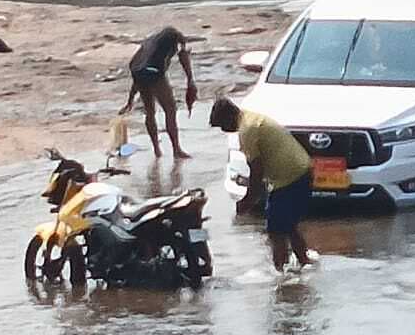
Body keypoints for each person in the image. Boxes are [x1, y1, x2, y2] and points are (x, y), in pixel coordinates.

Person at [209, 98, 316, 273]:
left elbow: (256, 171)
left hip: (289, 178)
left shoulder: (248, 130)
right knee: (288, 225)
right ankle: (303, 262)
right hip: (301, 171)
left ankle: (280, 274)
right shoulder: (251, 119)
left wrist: (248, 200)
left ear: (229, 117)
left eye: (222, 125)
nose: (223, 130)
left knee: (275, 230)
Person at [119, 27, 197, 159]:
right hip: (153, 72)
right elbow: (184, 58)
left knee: (150, 112)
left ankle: (157, 150)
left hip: (138, 71)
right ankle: (176, 149)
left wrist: (130, 100)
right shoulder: (172, 43)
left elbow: (136, 72)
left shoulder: (150, 42)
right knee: (170, 109)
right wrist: (190, 80)